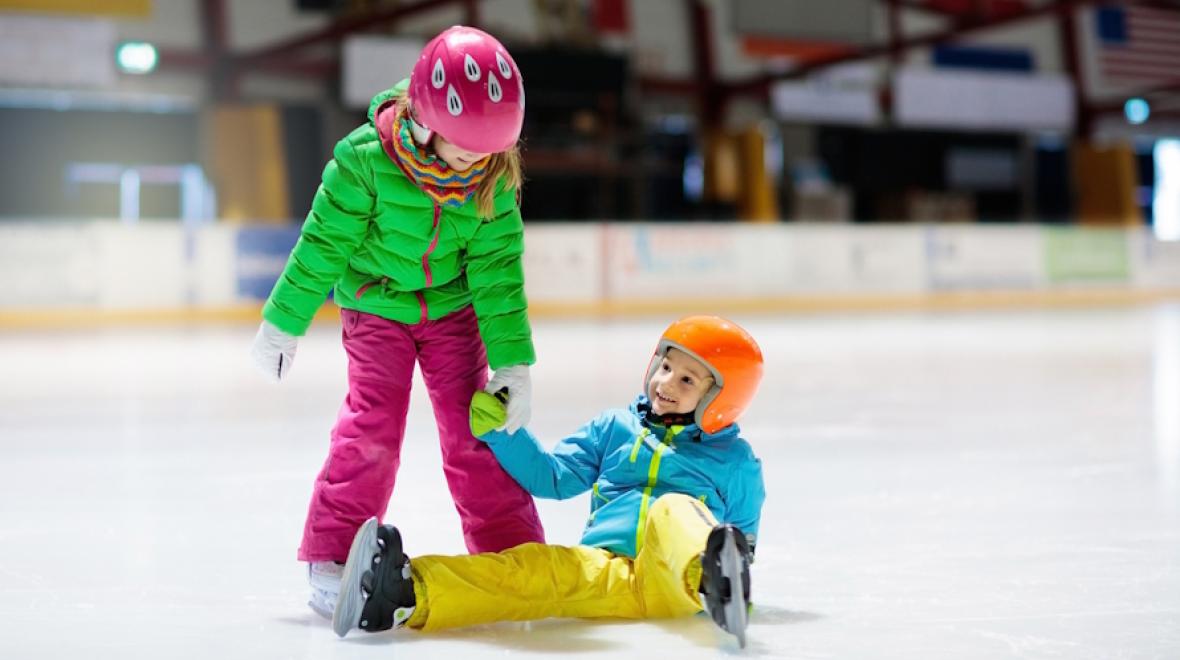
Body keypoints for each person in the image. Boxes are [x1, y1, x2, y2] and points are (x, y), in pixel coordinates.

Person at [248, 26, 545, 618]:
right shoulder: (364, 162)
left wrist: (512, 361)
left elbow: (497, 275)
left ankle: (511, 551)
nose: (477, 163)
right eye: (466, 149)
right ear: (428, 121)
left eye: (490, 152)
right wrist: (284, 321)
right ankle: (333, 555)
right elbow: (322, 246)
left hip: (452, 313)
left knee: (476, 433)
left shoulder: (490, 179)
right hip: (376, 307)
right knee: (373, 427)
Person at [332, 315, 766, 646]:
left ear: (721, 398)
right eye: (666, 366)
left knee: (673, 511)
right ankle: (404, 591)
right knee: (534, 568)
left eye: (687, 379)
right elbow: (553, 476)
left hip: (677, 580)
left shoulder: (735, 462)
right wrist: (505, 433)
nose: (666, 382)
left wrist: (726, 568)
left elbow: (741, 539)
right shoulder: (615, 429)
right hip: (605, 569)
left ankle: (714, 581)